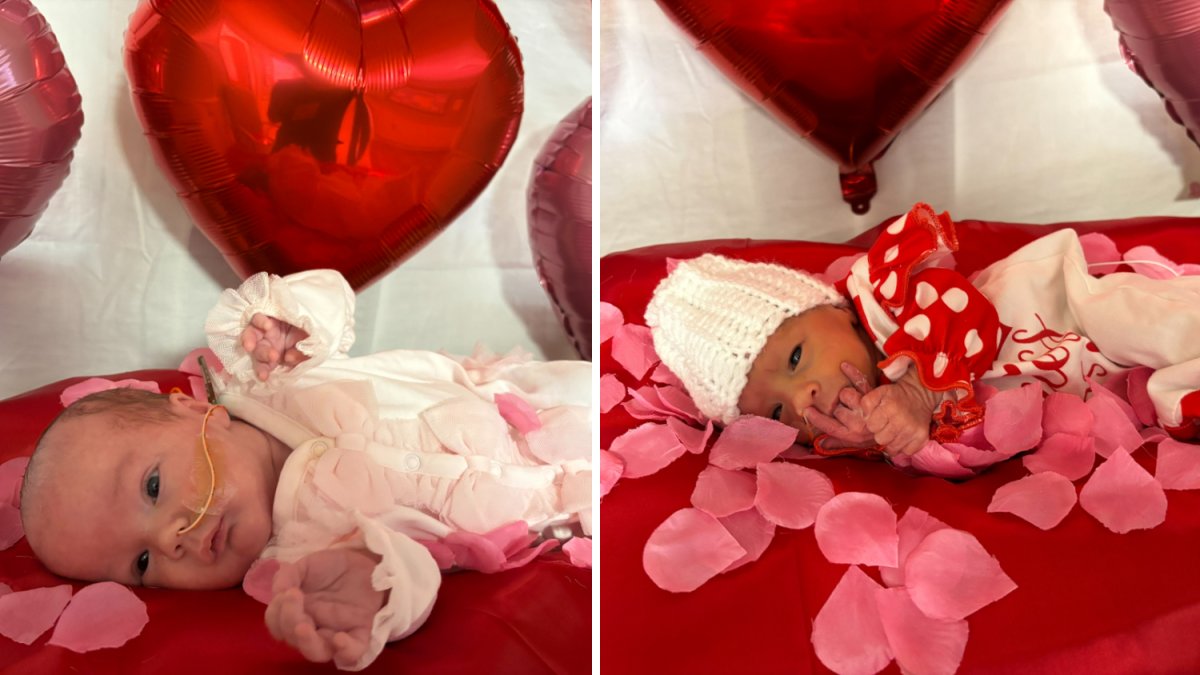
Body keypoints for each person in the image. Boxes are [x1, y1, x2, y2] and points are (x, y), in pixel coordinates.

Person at [18, 269, 591, 670]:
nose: (171, 539)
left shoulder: (270, 379)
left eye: (152, 486)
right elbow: (421, 565)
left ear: (195, 411)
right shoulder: (299, 562)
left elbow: (333, 304)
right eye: (142, 563)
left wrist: (287, 322)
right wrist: (372, 595)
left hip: (541, 401)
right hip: (568, 512)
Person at [645, 202, 1200, 459]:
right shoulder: (870, 429)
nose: (803, 398)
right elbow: (958, 451)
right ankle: (1181, 393)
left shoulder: (887, 301)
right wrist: (889, 437)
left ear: (835, 311)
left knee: (1142, 320)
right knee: (1140, 386)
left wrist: (917, 391)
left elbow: (964, 313)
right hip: (1077, 377)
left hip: (1055, 311)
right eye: (775, 413)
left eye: (794, 359)